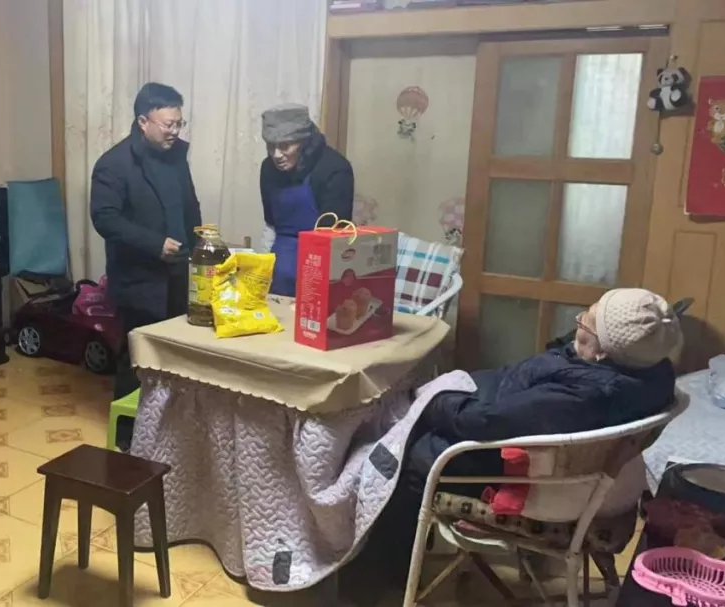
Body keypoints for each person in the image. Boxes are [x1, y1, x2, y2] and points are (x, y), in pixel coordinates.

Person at [342, 288, 681, 602]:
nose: (577, 321)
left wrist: (430, 398)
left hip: (525, 471)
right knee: (408, 430)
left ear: (604, 351)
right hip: (548, 452)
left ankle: (381, 577)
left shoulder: (586, 395)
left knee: (402, 456)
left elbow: (483, 421)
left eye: (584, 324)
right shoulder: (649, 368)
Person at [91, 82, 202, 402]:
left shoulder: (176, 156)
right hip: (139, 281)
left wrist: (200, 243)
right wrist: (154, 244)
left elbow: (189, 206)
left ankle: (167, 423)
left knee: (174, 354)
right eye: (168, 124)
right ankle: (128, 427)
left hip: (177, 274)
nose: (175, 131)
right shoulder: (114, 164)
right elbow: (105, 218)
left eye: (179, 123)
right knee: (138, 359)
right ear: (143, 121)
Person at [259, 103, 354, 296]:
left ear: (303, 141)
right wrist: (261, 273)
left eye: (285, 146)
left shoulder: (335, 169)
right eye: (271, 146)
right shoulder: (268, 169)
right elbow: (270, 225)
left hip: (321, 269)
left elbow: (336, 238)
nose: (276, 155)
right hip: (279, 272)